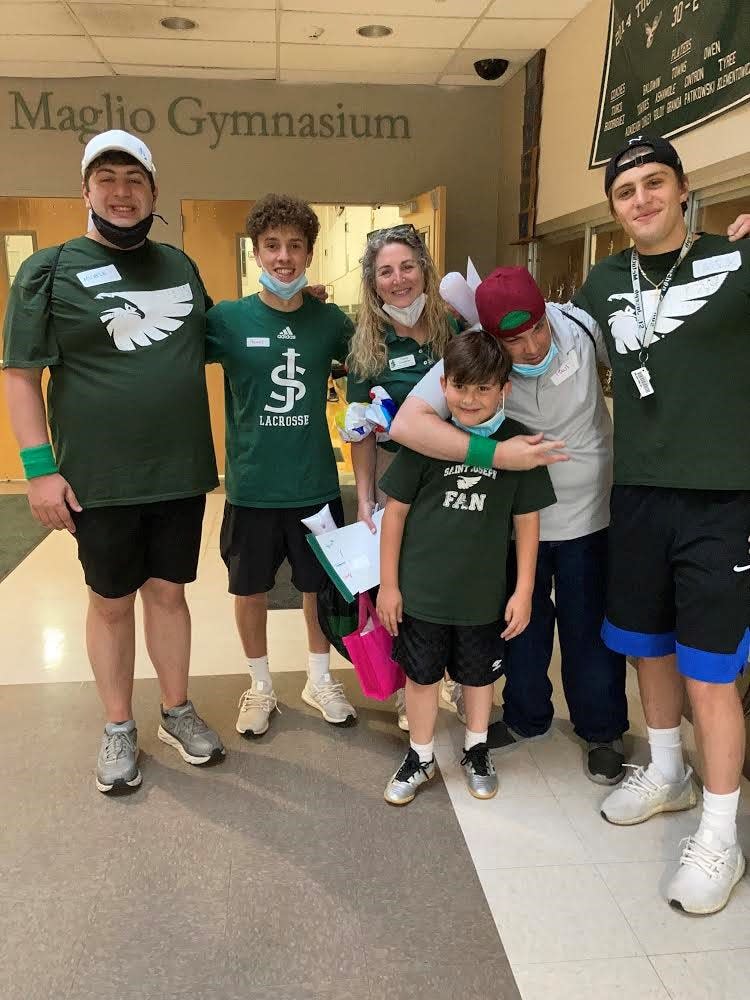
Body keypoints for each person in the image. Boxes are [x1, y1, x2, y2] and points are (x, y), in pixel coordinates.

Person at [1, 130, 225, 793]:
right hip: (97, 478)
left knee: (169, 594)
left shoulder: (180, 265)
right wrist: (39, 469)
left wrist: (293, 312)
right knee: (108, 602)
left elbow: (215, 341)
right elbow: (19, 375)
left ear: (154, 192)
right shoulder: (48, 271)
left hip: (179, 469)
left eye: (134, 179)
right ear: (86, 191)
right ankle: (119, 725)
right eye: (107, 179)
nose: (121, 191)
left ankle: (176, 711)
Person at [571, 135, 749, 915]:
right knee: (645, 644)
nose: (639, 199)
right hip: (638, 493)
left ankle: (720, 834)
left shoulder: (736, 262)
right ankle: (669, 771)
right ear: (614, 209)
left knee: (710, 668)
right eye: (625, 191)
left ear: (683, 190)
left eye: (654, 183)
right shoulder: (603, 279)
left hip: (724, 494)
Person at [391, 266, 630, 784]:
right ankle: (526, 717)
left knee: (588, 626)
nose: (531, 346)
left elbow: (642, 362)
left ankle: (602, 729)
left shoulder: (583, 328)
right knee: (519, 624)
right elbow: (407, 424)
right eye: (514, 340)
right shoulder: (481, 356)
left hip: (588, 510)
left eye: (537, 329)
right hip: (512, 515)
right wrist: (494, 454)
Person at [377, 330, 556, 805]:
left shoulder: (520, 445)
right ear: (444, 385)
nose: (469, 399)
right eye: (459, 386)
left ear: (504, 389)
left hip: (483, 596)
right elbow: (394, 514)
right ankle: (420, 755)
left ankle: (477, 749)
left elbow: (528, 523)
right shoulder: (428, 438)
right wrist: (389, 586)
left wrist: (523, 591)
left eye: (482, 388)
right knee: (421, 677)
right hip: (422, 593)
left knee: (479, 678)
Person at [206, 194, 357, 737]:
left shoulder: (330, 322)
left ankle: (318, 679)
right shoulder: (226, 319)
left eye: (295, 246)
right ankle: (260, 685)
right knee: (250, 589)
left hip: (313, 481)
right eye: (272, 246)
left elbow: (368, 363)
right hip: (250, 485)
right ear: (256, 252)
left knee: (317, 587)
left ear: (310, 253)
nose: (284, 257)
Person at [346, 224, 458, 728]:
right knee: (403, 583)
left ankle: (455, 672)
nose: (399, 280)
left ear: (425, 270)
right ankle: (412, 680)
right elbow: (361, 433)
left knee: (453, 576)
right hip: (400, 478)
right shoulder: (368, 347)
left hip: (458, 473)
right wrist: (366, 500)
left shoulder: (452, 329)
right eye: (385, 272)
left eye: (408, 267)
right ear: (373, 283)